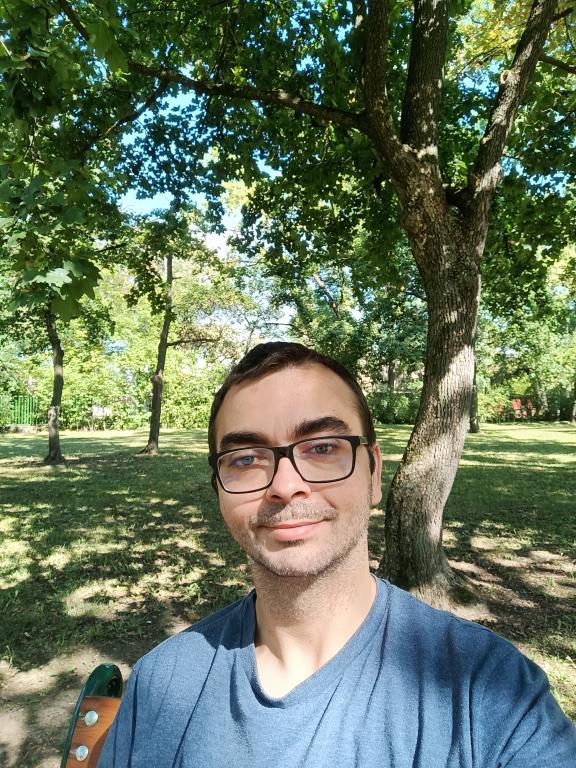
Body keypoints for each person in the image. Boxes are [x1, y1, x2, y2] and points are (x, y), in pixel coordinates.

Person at [98, 342, 576, 767]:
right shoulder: (162, 684)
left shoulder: (488, 693)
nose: (286, 486)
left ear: (373, 473)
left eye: (323, 447)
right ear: (219, 490)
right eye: (245, 459)